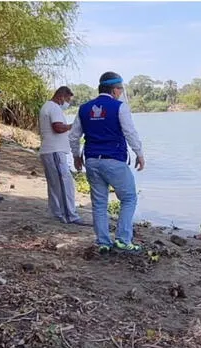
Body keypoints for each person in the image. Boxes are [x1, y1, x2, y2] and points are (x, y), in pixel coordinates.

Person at [68, 71, 146, 254]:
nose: (120, 92)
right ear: (114, 89)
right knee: (129, 198)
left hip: (92, 161)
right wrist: (139, 154)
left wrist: (76, 157)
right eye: (120, 89)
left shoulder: (84, 108)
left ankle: (103, 242)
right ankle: (123, 239)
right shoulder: (119, 107)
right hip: (114, 160)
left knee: (99, 203)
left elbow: (73, 137)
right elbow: (130, 133)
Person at [38, 86, 87, 225]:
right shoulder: (54, 108)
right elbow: (58, 127)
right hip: (55, 151)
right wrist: (73, 126)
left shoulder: (47, 106)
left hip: (50, 151)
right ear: (61, 97)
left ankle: (56, 213)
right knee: (65, 184)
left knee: (55, 184)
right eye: (68, 99)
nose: (68, 103)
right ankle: (70, 215)